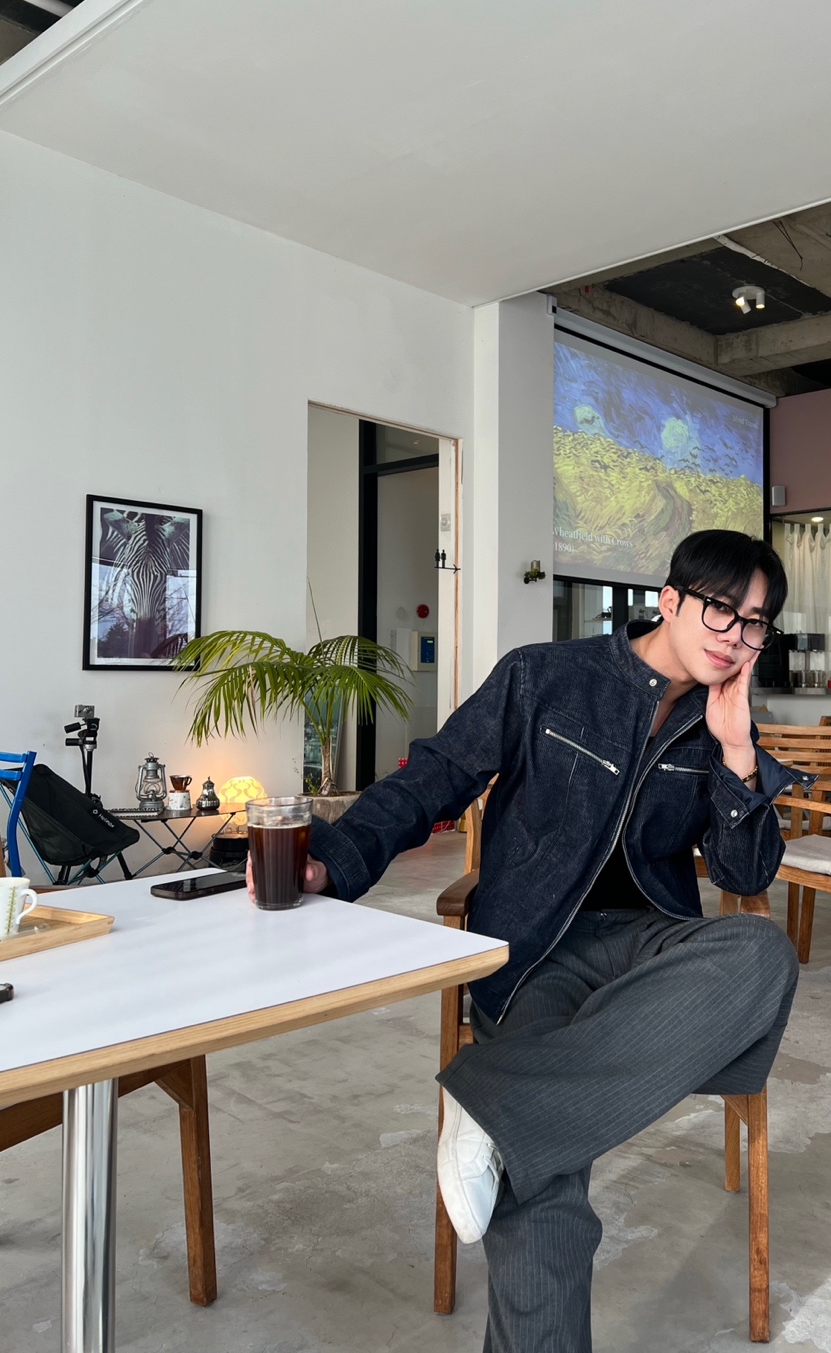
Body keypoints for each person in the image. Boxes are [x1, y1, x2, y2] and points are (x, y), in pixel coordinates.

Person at [252, 529, 801, 1352]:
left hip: (645, 949)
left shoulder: (722, 724)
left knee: (762, 954)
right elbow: (437, 774)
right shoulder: (545, 677)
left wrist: (735, 754)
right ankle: (514, 1116)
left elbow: (744, 871)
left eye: (755, 623)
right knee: (542, 1185)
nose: (736, 636)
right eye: (722, 609)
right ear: (670, 600)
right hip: (534, 951)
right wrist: (335, 858)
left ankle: (494, 1102)